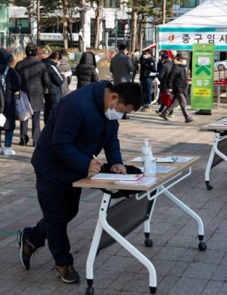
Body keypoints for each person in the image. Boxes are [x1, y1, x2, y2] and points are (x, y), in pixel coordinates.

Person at [17, 82, 142, 284]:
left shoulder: (108, 109)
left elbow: (111, 138)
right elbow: (60, 142)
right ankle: (63, 264)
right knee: (56, 217)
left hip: (74, 167)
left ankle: (31, 237)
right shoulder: (76, 105)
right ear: (114, 98)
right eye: (122, 111)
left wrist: (116, 163)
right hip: (50, 166)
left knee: (68, 212)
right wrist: (86, 163)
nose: (120, 115)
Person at [15, 44, 50, 147]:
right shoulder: (41, 65)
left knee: (24, 116)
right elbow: (46, 80)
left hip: (24, 91)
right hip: (37, 93)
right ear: (36, 53)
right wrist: (44, 90)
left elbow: (16, 80)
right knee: (36, 118)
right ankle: (36, 140)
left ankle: (23, 139)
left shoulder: (19, 64)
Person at [0, 48, 21, 156]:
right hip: (8, 100)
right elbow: (18, 85)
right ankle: (8, 147)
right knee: (9, 125)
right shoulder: (10, 70)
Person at [162, 52, 194, 123]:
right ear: (179, 59)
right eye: (183, 59)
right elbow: (170, 78)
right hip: (177, 88)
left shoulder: (182, 67)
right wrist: (169, 87)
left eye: (185, 59)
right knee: (183, 103)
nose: (184, 60)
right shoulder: (176, 67)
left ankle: (164, 113)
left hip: (182, 88)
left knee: (174, 103)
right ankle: (187, 117)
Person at [42, 51, 64, 123]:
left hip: (46, 91)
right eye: (59, 60)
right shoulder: (51, 66)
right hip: (54, 92)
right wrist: (63, 75)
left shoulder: (43, 64)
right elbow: (59, 80)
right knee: (54, 111)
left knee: (47, 109)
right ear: (56, 59)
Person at [156, 52, 174, 117]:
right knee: (167, 98)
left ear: (163, 59)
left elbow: (161, 76)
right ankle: (161, 110)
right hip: (171, 84)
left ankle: (170, 112)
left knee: (166, 98)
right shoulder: (172, 65)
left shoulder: (164, 66)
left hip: (165, 84)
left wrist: (158, 76)